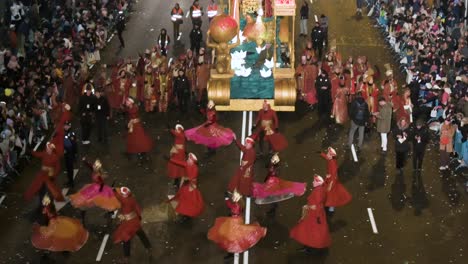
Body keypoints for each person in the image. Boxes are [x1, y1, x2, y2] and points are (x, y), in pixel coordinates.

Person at [290, 175, 331, 253]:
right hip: (315, 215)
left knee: (310, 231)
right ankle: (309, 246)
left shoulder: (318, 191)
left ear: (318, 183)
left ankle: (309, 246)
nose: (313, 182)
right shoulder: (320, 189)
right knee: (310, 230)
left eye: (314, 181)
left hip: (314, 215)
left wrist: (309, 207)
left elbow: (316, 205)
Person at [113, 187, 152, 263]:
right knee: (141, 234)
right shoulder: (132, 199)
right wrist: (139, 218)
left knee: (126, 239)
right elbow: (138, 209)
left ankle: (126, 258)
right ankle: (149, 247)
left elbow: (118, 197)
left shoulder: (123, 200)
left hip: (128, 223)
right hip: (135, 221)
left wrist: (113, 191)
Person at [168, 153, 204, 222]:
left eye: (189, 159)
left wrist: (188, 180)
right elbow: (179, 163)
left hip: (191, 187)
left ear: (192, 161)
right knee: (185, 199)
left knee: (189, 201)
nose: (187, 159)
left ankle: (187, 216)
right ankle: (186, 214)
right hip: (187, 185)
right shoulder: (188, 164)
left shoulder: (195, 168)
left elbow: (193, 177)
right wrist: (170, 159)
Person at [321, 148, 352, 217]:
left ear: (331, 156)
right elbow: (327, 157)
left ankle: (331, 209)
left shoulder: (333, 164)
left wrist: (330, 185)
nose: (327, 154)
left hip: (331, 182)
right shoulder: (332, 159)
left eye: (328, 154)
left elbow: (334, 176)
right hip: (330, 181)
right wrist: (321, 153)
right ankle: (330, 207)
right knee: (332, 195)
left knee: (331, 195)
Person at [63, 121, 78, 187]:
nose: (65, 127)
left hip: (70, 154)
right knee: (68, 168)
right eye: (65, 125)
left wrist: (74, 154)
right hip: (66, 154)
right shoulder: (65, 133)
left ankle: (71, 183)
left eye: (67, 125)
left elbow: (74, 145)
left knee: (70, 168)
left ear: (70, 126)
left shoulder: (71, 134)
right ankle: (70, 181)